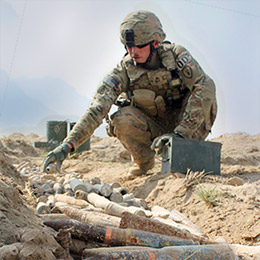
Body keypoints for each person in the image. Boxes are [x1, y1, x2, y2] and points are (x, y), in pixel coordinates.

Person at [43, 10, 217, 178]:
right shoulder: (124, 70)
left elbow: (205, 86)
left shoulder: (176, 55)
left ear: (155, 43)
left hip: (187, 124)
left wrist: (181, 133)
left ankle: (184, 147)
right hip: (153, 124)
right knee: (121, 119)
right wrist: (67, 146)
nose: (133, 51)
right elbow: (97, 108)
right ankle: (144, 162)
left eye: (140, 45)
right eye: (129, 46)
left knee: (204, 92)